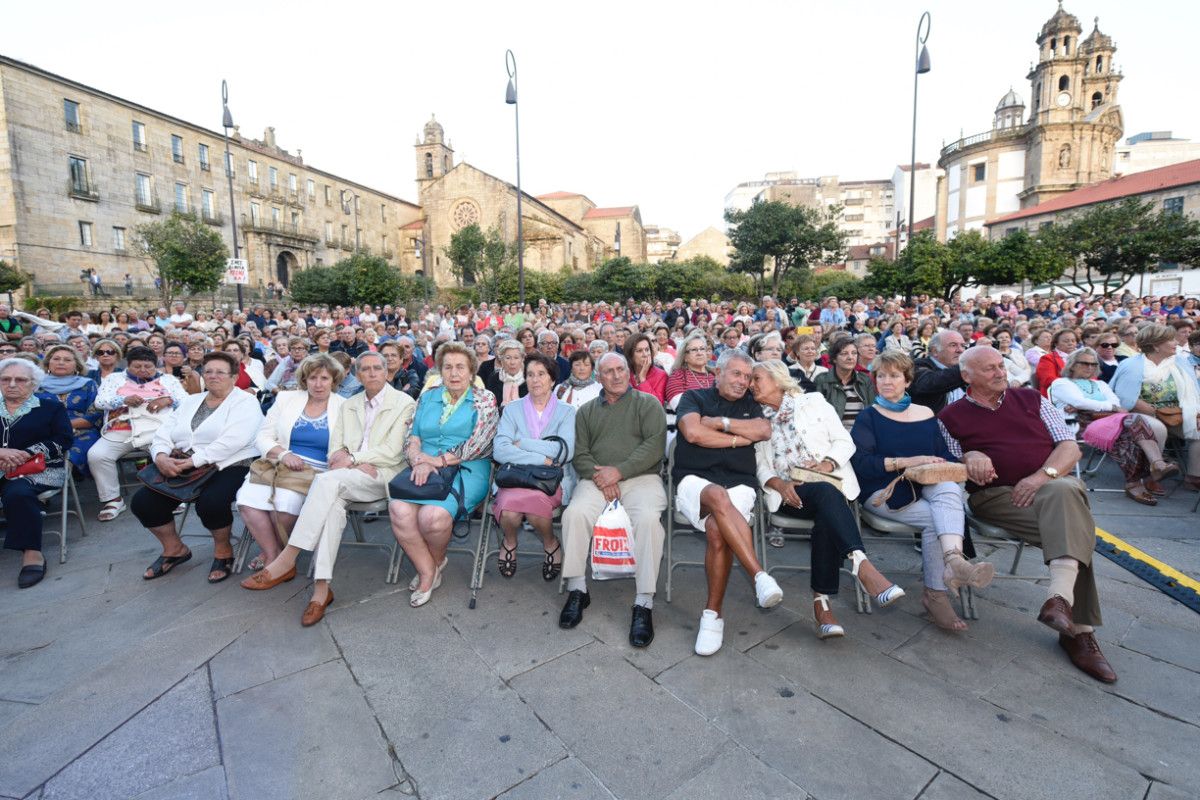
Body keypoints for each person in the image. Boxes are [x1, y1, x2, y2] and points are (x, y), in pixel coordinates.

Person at [939, 346, 1117, 683]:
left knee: (1064, 496)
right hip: (995, 497)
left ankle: (1068, 615)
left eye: (1000, 366)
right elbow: (949, 463)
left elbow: (1069, 447)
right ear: (967, 377)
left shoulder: (1031, 400)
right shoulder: (951, 416)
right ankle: (1070, 621)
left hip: (1046, 486)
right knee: (1076, 523)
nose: (1000, 372)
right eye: (989, 368)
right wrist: (970, 455)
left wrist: (1038, 479)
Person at [243, 352, 416, 625]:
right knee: (332, 506)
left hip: (380, 473)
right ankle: (321, 590)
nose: (371, 374)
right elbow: (336, 444)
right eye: (365, 369)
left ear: (386, 372)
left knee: (325, 481)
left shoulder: (404, 402)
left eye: (377, 369)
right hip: (345, 474)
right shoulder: (350, 404)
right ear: (357, 375)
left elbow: (394, 451)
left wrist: (355, 459)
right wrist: (343, 460)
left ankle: (288, 556)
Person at [751, 359, 902, 637]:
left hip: (829, 483)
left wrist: (827, 465)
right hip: (791, 494)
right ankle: (862, 566)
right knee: (826, 498)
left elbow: (845, 441)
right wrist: (780, 485)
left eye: (756, 378)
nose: (751, 385)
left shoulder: (814, 402)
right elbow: (761, 467)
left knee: (826, 506)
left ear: (777, 379)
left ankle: (823, 606)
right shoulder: (756, 420)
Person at [851, 351, 994, 632]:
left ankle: (952, 560)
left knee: (947, 487)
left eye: (894, 376)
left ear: (907, 380)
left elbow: (941, 456)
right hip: (883, 490)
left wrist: (969, 467)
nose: (886, 382)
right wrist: (906, 462)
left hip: (925, 485)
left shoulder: (925, 413)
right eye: (881, 376)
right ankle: (936, 592)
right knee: (935, 520)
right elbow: (862, 465)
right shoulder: (868, 417)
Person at [674, 349, 781, 656]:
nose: (742, 382)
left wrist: (719, 423)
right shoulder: (693, 397)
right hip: (694, 481)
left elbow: (763, 430)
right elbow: (693, 434)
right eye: (736, 374)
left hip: (740, 482)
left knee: (718, 532)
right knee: (717, 495)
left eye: (748, 377)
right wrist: (738, 438)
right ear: (717, 373)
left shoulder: (752, 403)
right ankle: (759, 575)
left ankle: (712, 616)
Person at [558, 352, 667, 646]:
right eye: (609, 371)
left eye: (621, 369)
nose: (617, 376)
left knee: (648, 521)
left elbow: (654, 447)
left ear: (628, 372)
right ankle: (578, 589)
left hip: (641, 477)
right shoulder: (586, 412)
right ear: (598, 377)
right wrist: (602, 478)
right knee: (574, 514)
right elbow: (579, 453)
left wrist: (617, 472)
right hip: (596, 478)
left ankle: (644, 602)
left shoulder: (648, 404)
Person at [132, 351, 263, 584]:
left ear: (234, 377)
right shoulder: (191, 401)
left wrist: (192, 461)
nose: (213, 376)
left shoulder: (246, 401)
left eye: (220, 372)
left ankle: (223, 550)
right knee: (143, 503)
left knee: (211, 502)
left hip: (231, 463)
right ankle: (175, 549)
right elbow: (165, 431)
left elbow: (234, 441)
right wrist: (160, 456)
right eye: (208, 371)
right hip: (184, 463)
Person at [390, 343, 498, 608]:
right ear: (440, 370)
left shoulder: (484, 399)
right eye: (447, 367)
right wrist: (417, 459)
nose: (454, 373)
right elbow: (411, 435)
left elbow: (479, 444)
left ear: (472, 370)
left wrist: (435, 461)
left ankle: (435, 563)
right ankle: (429, 569)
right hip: (422, 466)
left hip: (466, 467)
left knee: (433, 517)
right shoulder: (428, 397)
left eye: (460, 367)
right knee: (398, 510)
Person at [236, 354, 345, 573]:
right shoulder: (287, 399)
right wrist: (284, 454)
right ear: (304, 379)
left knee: (284, 505)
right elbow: (263, 436)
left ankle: (277, 556)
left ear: (334, 380)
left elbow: (348, 444)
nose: (318, 383)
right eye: (313, 377)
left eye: (324, 378)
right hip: (277, 464)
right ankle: (273, 554)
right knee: (247, 501)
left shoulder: (343, 406)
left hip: (315, 471)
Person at [1049, 347, 1176, 505]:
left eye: (1093, 364)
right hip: (1081, 425)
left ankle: (1151, 469)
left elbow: (1117, 403)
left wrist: (1094, 405)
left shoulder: (1100, 384)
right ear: (1073, 365)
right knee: (1130, 427)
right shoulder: (1061, 383)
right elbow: (1080, 402)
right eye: (1084, 363)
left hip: (1110, 421)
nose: (1090, 367)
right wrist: (1102, 406)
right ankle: (1147, 473)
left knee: (1131, 427)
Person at [491, 353, 577, 581]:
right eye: (530, 374)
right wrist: (542, 458)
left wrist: (524, 444)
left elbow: (565, 451)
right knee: (509, 510)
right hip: (515, 478)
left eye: (541, 374)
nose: (535, 380)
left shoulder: (567, 412)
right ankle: (509, 541)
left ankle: (550, 543)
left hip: (550, 482)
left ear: (552, 380)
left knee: (535, 507)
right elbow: (500, 450)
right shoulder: (512, 409)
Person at [89, 346, 187, 521]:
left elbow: (186, 401)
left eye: (148, 367)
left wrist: (168, 399)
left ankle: (173, 493)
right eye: (137, 366)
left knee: (167, 452)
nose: (143, 370)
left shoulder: (169, 380)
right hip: (122, 428)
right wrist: (123, 400)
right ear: (128, 364)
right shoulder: (114, 378)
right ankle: (113, 499)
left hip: (158, 428)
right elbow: (99, 402)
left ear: (156, 365)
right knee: (97, 455)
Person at [0, 358, 72, 588]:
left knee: (18, 492)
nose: (12, 384)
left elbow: (64, 440)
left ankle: (32, 554)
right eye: (5, 379)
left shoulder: (51, 408)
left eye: (20, 379)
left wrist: (25, 453)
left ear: (33, 384)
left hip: (40, 469)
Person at [1110, 324, 1200, 491]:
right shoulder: (1132, 365)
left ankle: (1194, 476)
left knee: (1199, 428)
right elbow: (1122, 397)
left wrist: (1194, 412)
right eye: (1170, 340)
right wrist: (1138, 404)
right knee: (1157, 428)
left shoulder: (1180, 362)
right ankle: (1151, 475)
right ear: (1155, 345)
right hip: (1139, 415)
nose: (1176, 342)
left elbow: (1193, 391)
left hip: (1176, 414)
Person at [35, 345, 100, 477]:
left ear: (77, 365)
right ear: (48, 363)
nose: (61, 362)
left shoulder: (88, 384)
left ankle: (60, 476)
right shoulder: (35, 385)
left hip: (82, 431)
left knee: (72, 454)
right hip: (44, 432)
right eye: (56, 359)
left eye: (67, 360)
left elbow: (94, 415)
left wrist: (63, 426)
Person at [815, 337, 875, 431]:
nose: (850, 357)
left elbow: (871, 409)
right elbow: (817, 415)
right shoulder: (822, 380)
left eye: (854, 353)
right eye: (844, 353)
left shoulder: (865, 380)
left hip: (861, 434)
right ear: (834, 359)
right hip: (833, 435)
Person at [910, 331, 968, 413]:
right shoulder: (918, 365)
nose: (960, 350)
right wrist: (967, 367)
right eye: (953, 345)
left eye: (963, 345)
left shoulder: (962, 370)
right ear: (935, 351)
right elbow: (929, 383)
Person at [664, 332, 714, 408]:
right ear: (685, 357)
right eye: (694, 350)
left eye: (702, 349)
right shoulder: (678, 376)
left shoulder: (715, 375)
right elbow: (680, 406)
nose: (699, 353)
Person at [625, 332, 667, 403]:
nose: (645, 354)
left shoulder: (661, 375)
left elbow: (656, 405)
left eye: (647, 350)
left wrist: (642, 379)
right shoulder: (624, 374)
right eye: (639, 351)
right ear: (630, 355)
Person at [485, 338, 528, 408]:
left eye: (516, 358)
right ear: (501, 360)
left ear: (522, 359)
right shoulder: (494, 378)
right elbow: (490, 405)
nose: (512, 362)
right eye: (508, 358)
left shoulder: (528, 378)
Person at [1035, 329, 1078, 397]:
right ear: (1056, 344)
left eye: (1073, 341)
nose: (1070, 343)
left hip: (1081, 393)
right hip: (1057, 395)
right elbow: (1048, 380)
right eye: (1066, 341)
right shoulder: (1047, 358)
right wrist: (1075, 384)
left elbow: (1092, 378)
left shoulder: (1082, 357)